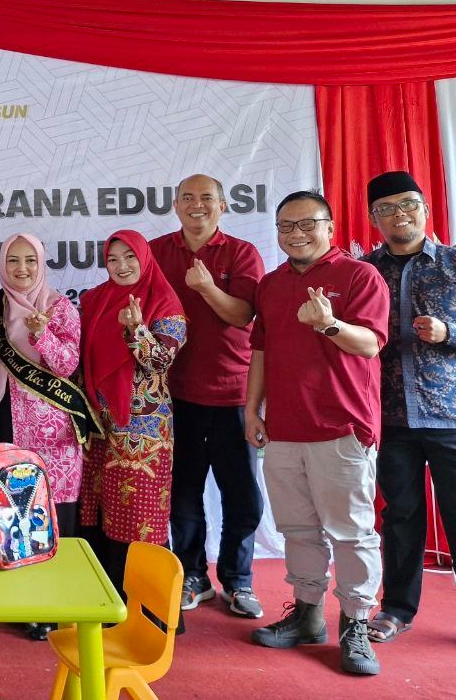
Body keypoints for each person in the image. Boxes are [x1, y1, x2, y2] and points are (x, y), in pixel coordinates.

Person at [360, 171, 456, 666]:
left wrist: (450, 333)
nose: (399, 213)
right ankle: (397, 610)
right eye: (386, 207)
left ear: (425, 208)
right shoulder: (365, 271)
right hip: (391, 418)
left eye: (408, 204)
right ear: (373, 217)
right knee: (399, 519)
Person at [245, 190, 389, 676]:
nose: (296, 234)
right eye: (286, 226)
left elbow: (370, 345)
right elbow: (260, 352)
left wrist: (329, 325)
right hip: (284, 427)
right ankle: (307, 615)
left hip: (342, 427)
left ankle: (355, 623)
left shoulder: (359, 275)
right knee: (298, 529)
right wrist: (252, 409)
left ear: (329, 226)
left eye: (307, 224)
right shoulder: (271, 284)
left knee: (351, 533)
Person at [149, 174, 266, 620]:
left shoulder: (240, 253)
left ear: (222, 206)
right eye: (187, 198)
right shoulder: (158, 251)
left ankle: (239, 581)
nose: (196, 206)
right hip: (173, 396)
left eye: (206, 199)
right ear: (175, 205)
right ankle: (193, 576)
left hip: (232, 394)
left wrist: (207, 289)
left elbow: (244, 315)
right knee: (183, 493)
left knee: (242, 496)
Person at [0, 232, 91, 640]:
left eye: (29, 260)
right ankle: (20, 598)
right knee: (12, 510)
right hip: (2, 419)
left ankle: (57, 601)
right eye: (13, 261)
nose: (21, 269)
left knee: (51, 512)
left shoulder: (60, 307)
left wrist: (43, 332)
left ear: (41, 263)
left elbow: (67, 365)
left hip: (51, 431)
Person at [79, 229, 185, 595]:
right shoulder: (95, 299)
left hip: (143, 429)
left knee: (138, 516)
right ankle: (101, 600)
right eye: (113, 259)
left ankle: (146, 608)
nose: (121, 266)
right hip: (97, 425)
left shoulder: (166, 303)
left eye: (129, 257)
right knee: (97, 511)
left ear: (144, 258)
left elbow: (160, 361)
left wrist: (136, 329)